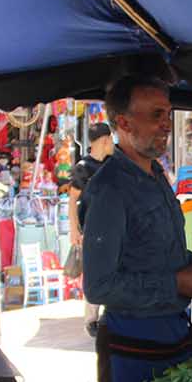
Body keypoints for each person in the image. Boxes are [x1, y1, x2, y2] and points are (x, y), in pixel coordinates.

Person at [83, 75, 192, 382]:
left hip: (174, 335)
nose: (167, 125)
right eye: (156, 115)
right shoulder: (110, 189)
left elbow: (153, 249)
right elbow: (98, 285)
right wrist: (176, 283)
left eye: (168, 114)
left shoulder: (156, 175)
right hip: (136, 347)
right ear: (124, 123)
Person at [68, 123, 115, 337]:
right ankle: (91, 320)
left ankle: (109, 314)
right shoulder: (83, 167)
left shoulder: (113, 164)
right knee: (94, 273)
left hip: (113, 228)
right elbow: (72, 200)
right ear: (105, 140)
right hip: (91, 230)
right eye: (111, 139)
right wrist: (74, 230)